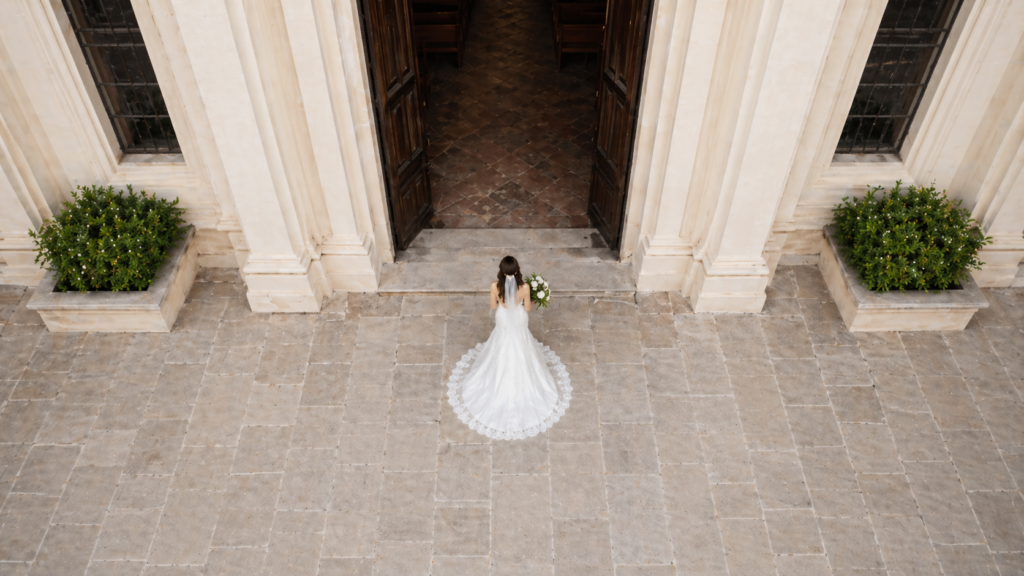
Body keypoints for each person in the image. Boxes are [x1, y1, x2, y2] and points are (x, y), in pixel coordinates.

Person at [446, 256, 572, 440]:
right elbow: (527, 308)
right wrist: (537, 297)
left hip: (503, 319)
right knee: (521, 342)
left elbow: (492, 305)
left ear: (501, 271)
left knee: (501, 342)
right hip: (519, 319)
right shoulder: (525, 288)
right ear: (518, 268)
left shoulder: (494, 286)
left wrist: (500, 300)